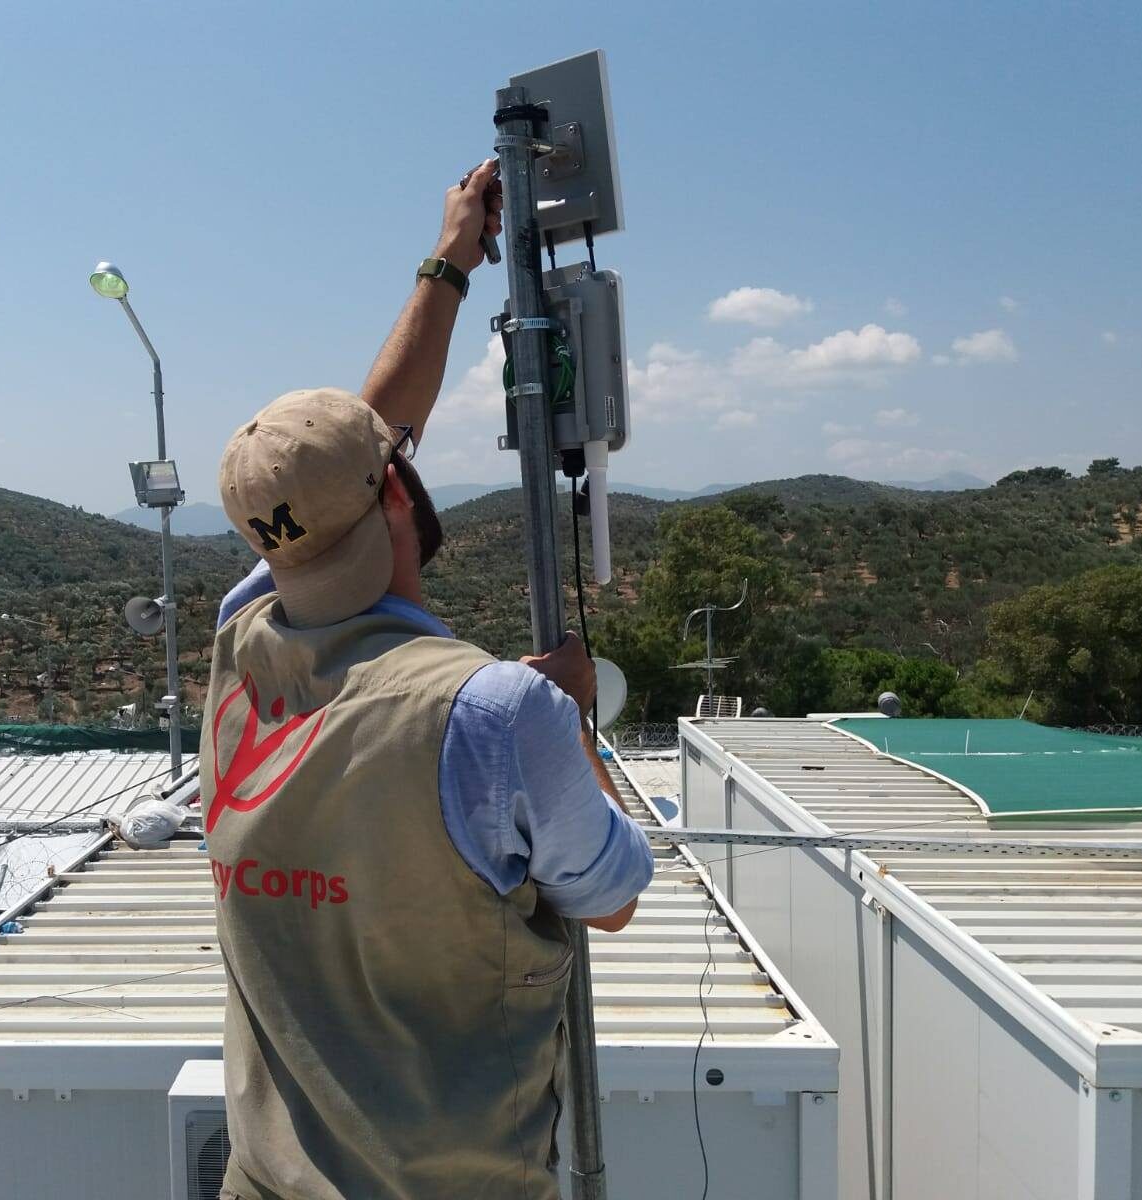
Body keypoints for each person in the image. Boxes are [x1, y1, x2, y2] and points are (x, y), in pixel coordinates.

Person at [203, 158, 654, 1200]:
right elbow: (615, 898)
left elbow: (346, 460)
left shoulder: (239, 644)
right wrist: (572, 721)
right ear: (400, 492)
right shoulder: (498, 711)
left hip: (264, 1182)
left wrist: (450, 261)